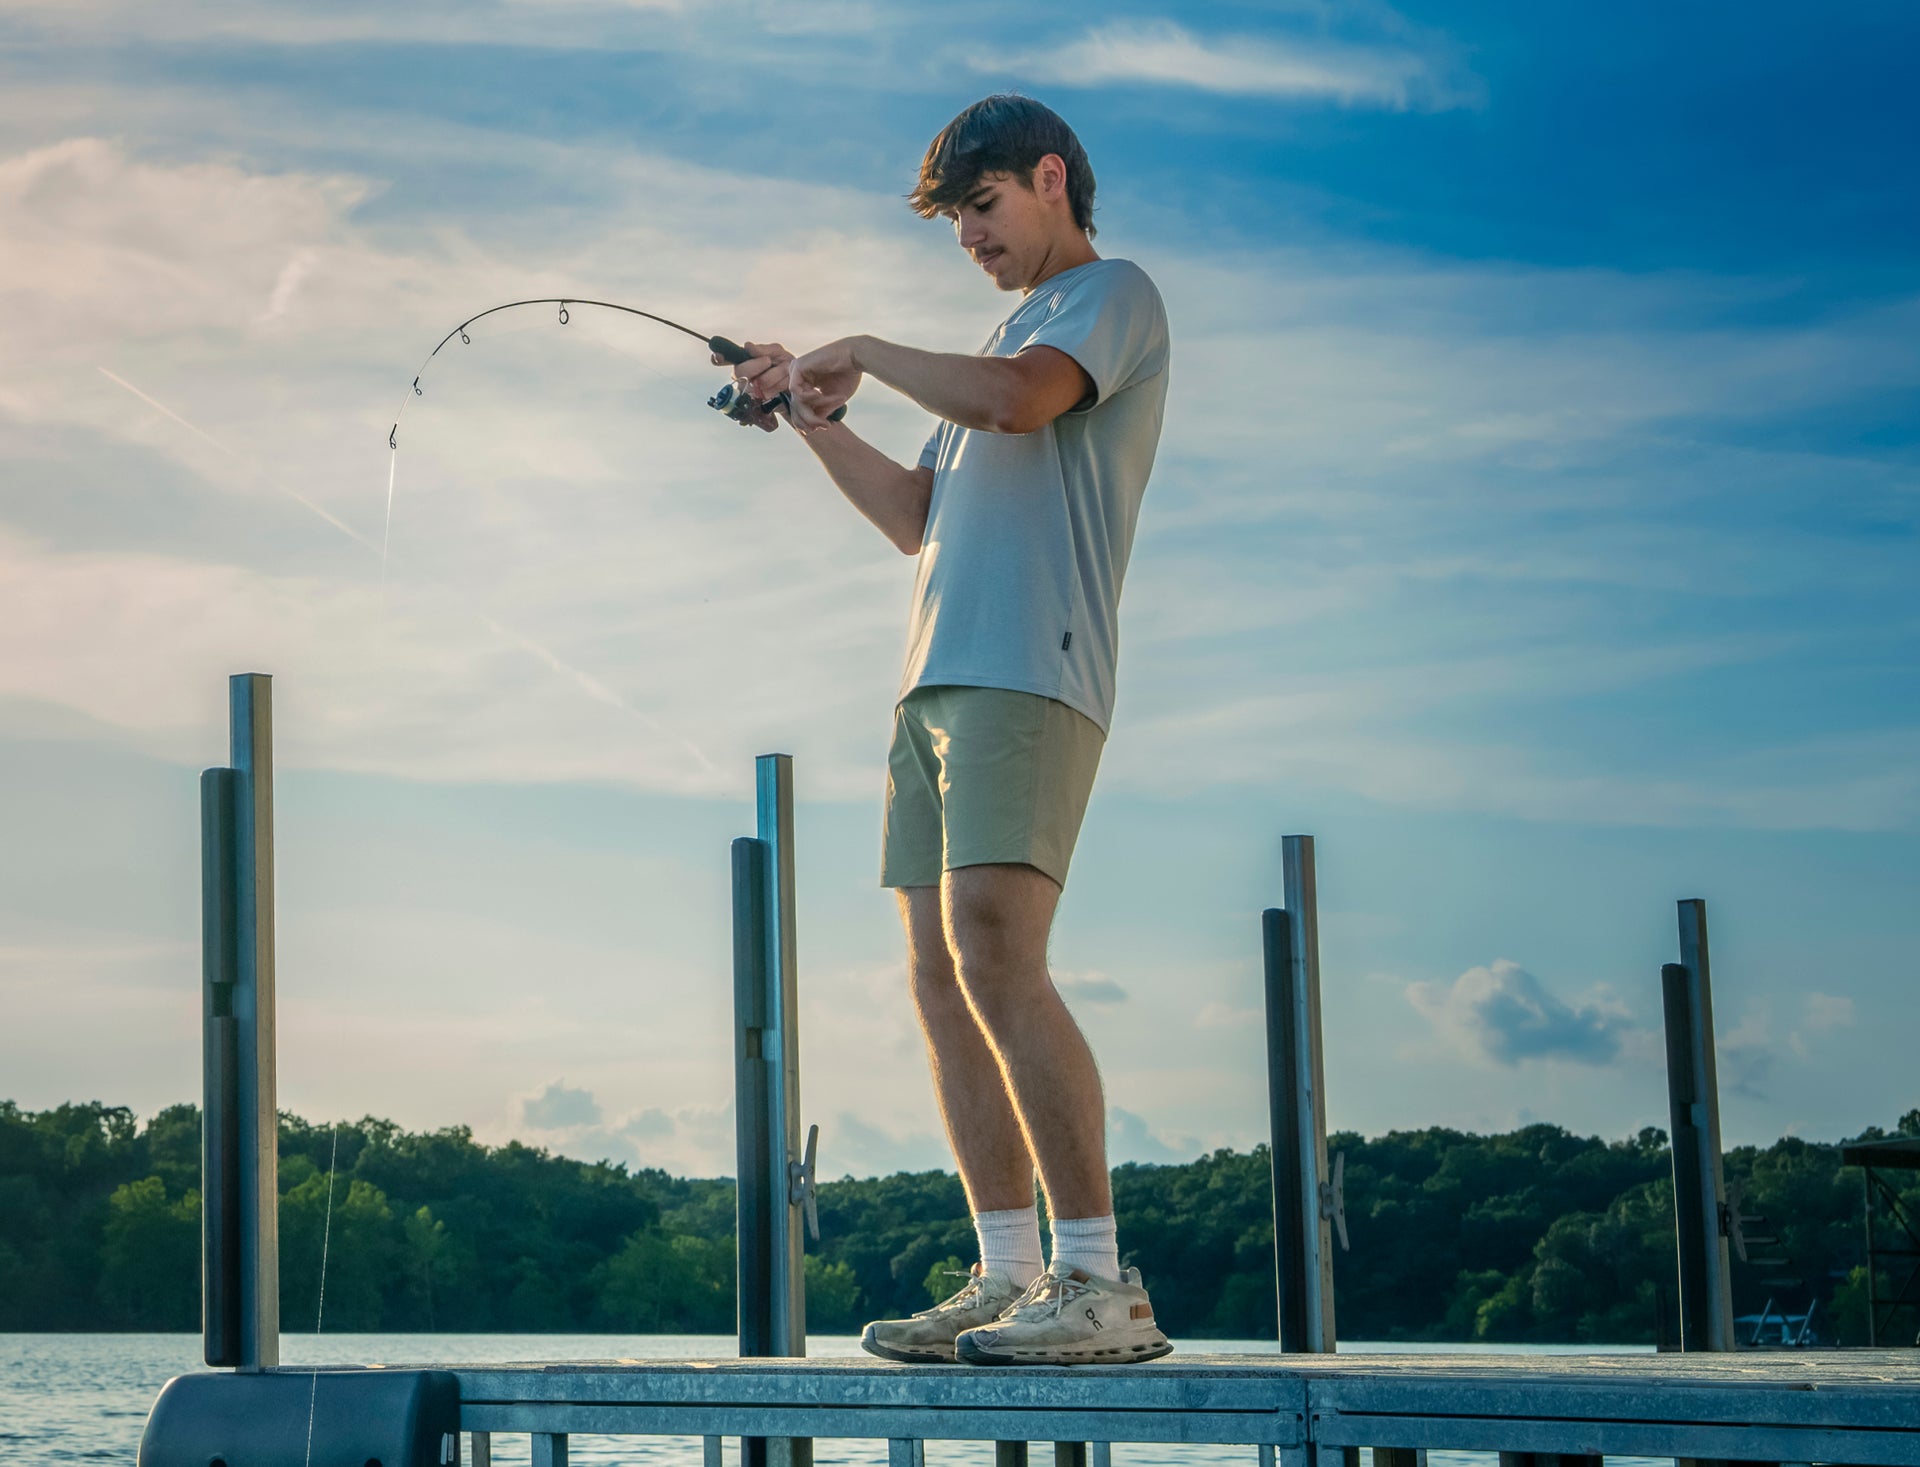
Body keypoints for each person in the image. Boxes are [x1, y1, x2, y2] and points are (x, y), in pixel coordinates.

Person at [717, 94, 1171, 1367]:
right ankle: (1009, 1271)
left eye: (983, 207)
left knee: (995, 951)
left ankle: (1098, 1282)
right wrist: (816, 413)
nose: (970, 237)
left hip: (1033, 668)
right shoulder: (1002, 337)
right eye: (957, 220)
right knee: (939, 977)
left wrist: (861, 344)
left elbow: (1021, 404)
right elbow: (920, 514)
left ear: (1050, 176)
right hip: (935, 682)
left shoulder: (1107, 297)